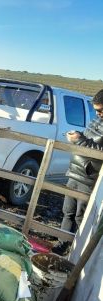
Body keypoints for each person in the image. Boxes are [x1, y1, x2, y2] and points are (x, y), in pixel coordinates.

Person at [52, 89, 103, 255]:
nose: (98, 114)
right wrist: (78, 137)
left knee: (81, 218)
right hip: (75, 172)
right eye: (96, 110)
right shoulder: (97, 120)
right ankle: (62, 244)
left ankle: (79, 252)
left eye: (101, 110)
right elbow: (88, 143)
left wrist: (79, 140)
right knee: (68, 211)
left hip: (89, 179)